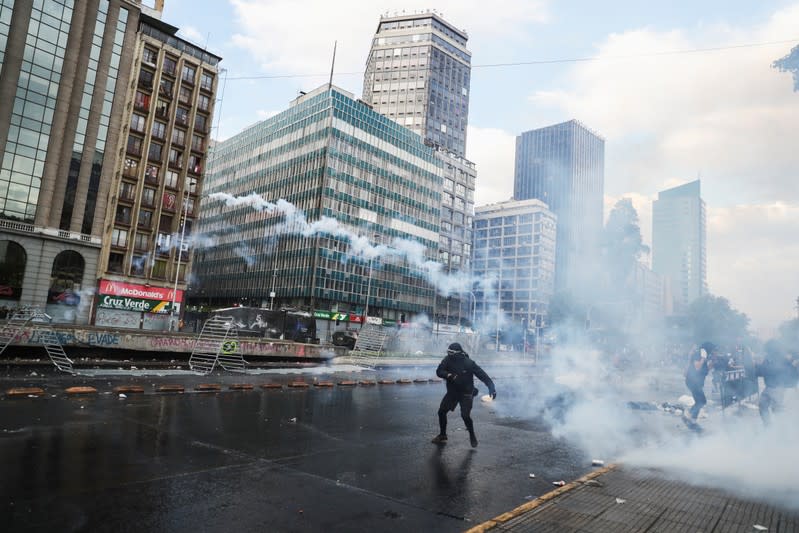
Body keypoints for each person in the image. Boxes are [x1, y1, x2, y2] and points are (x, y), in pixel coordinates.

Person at [432, 343, 496, 448]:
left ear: (458, 353)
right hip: (452, 392)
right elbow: (439, 371)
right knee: (441, 412)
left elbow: (482, 374)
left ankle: (472, 435)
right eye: (448, 352)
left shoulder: (468, 363)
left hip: (466, 393)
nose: (449, 354)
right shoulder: (447, 360)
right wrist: (448, 375)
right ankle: (443, 435)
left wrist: (491, 386)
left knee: (465, 416)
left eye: (451, 352)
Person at [755, 341, 799, 425]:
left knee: (776, 410)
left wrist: (758, 367)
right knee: (763, 405)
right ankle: (768, 425)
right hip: (770, 387)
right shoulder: (770, 358)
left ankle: (781, 430)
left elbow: (768, 370)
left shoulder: (778, 358)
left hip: (777, 388)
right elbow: (762, 371)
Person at [684, 342, 714, 423]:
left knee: (700, 401)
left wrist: (711, 364)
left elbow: (705, 370)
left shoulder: (704, 356)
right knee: (702, 401)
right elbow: (697, 367)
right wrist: (703, 358)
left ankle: (691, 417)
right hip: (692, 381)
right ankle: (690, 416)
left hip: (697, 383)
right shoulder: (698, 355)